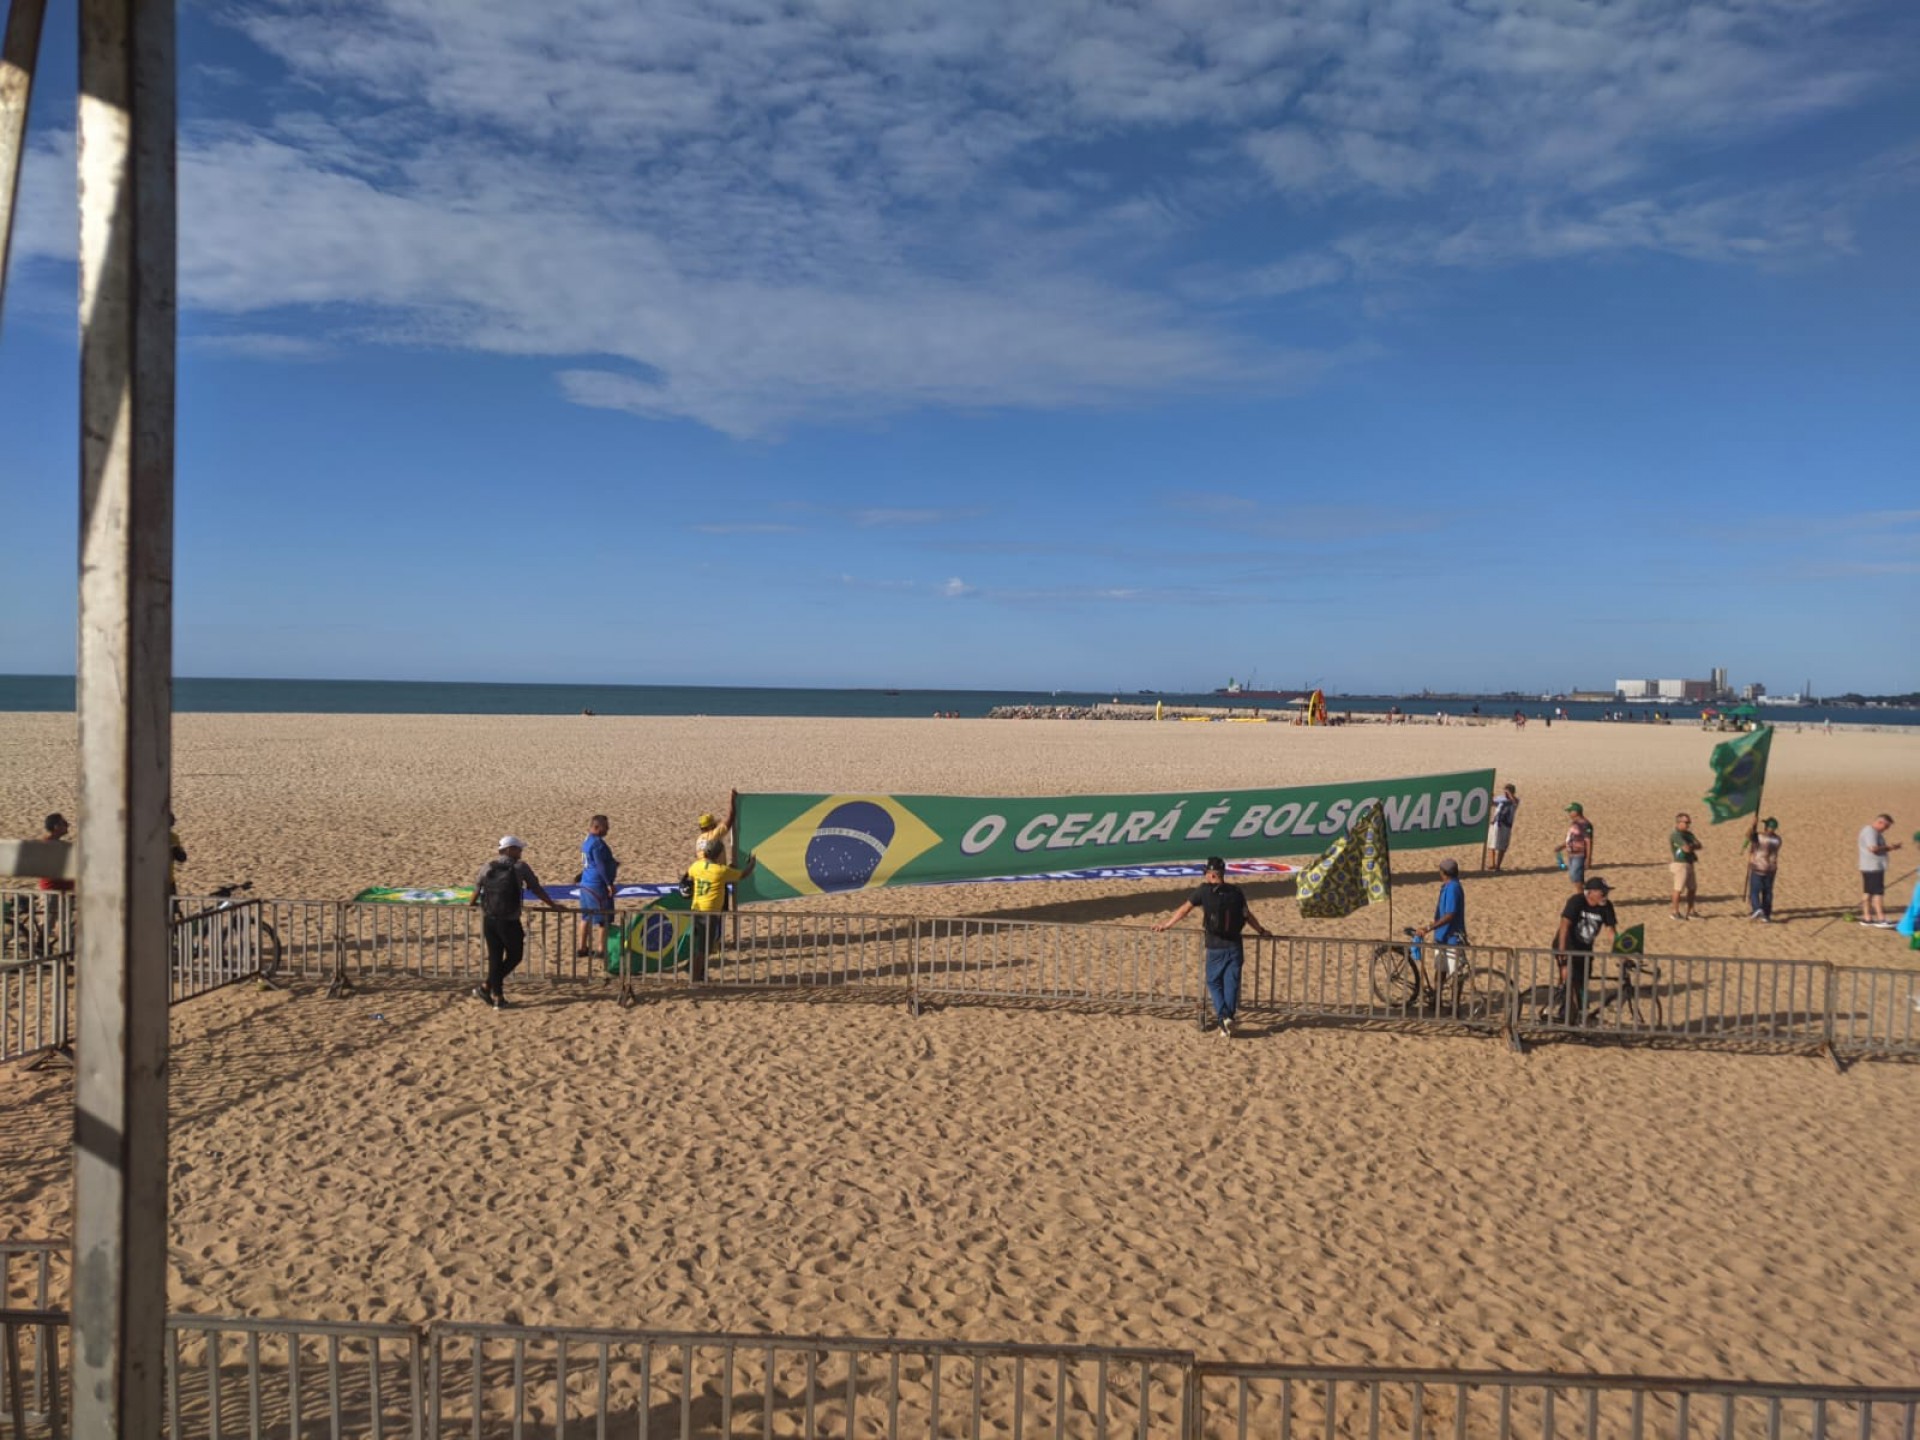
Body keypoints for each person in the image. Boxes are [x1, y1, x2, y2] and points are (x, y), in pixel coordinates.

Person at [1152, 855, 1272, 1038]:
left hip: (1216, 945)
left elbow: (1184, 909)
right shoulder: (1236, 892)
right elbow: (1247, 916)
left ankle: (1223, 1016)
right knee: (1231, 983)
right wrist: (1261, 931)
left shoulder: (1204, 891)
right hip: (1235, 945)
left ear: (1212, 874)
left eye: (1206, 873)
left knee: (1214, 982)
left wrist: (1167, 925)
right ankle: (1229, 1018)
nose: (1205, 876)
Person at [468, 836, 561, 1008]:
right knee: (515, 955)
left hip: (489, 918)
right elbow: (536, 888)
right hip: (509, 920)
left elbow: (477, 888)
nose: (521, 852)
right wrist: (553, 905)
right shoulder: (520, 867)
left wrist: (471, 905)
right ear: (510, 850)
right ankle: (488, 988)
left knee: (495, 958)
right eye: (518, 849)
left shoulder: (488, 866)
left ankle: (496, 995)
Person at [1548, 875, 1618, 1024]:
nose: (1605, 895)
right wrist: (1562, 950)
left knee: (1582, 984)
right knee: (1569, 978)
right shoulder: (1577, 901)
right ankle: (1562, 1009)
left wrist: (1622, 953)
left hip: (1585, 949)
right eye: (1602, 892)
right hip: (1567, 944)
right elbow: (1564, 924)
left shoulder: (1607, 907)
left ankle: (1573, 1013)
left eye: (1606, 892)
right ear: (1590, 892)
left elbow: (1611, 931)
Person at [683, 837, 756, 978]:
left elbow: (689, 875)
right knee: (704, 949)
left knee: (698, 945)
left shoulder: (696, 866)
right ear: (718, 854)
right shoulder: (720, 871)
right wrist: (752, 864)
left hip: (696, 911)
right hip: (709, 914)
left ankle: (695, 972)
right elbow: (743, 875)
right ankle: (696, 977)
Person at [1416, 858, 1468, 1002]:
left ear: (1443, 873)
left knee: (1456, 974)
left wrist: (1429, 927)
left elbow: (1450, 915)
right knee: (1440, 970)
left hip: (1453, 938)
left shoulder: (1453, 888)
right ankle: (1437, 1001)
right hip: (1442, 936)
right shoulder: (1447, 887)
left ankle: (1455, 1005)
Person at [575, 814, 620, 960]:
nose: (607, 830)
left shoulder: (587, 841)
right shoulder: (598, 844)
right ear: (596, 827)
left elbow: (591, 862)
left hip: (586, 884)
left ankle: (582, 947)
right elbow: (600, 865)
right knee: (604, 918)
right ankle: (601, 949)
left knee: (586, 916)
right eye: (605, 827)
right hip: (597, 885)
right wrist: (609, 883)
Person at [1858, 814, 1903, 927]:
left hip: (1869, 867)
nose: (1886, 829)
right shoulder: (1870, 831)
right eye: (1886, 826)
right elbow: (1873, 848)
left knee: (1868, 892)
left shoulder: (1873, 832)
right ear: (1880, 822)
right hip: (1873, 867)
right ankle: (1881, 918)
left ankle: (1867, 918)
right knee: (1878, 893)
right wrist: (1889, 847)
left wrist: (1891, 848)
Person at [1745, 817, 1782, 922]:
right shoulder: (1778, 840)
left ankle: (1757, 908)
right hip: (1771, 868)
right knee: (1768, 892)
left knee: (1754, 891)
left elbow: (1748, 836)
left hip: (1758, 867)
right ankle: (1766, 914)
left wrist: (1753, 825)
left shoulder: (1760, 837)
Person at [1668, 812, 1702, 921]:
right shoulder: (1676, 835)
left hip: (1690, 863)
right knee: (1678, 889)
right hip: (1680, 864)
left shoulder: (1689, 834)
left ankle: (1691, 911)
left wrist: (1691, 846)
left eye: (1689, 822)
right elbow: (1686, 848)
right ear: (1679, 822)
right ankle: (1675, 912)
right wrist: (1692, 845)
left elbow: (1699, 845)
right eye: (1686, 822)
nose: (1688, 824)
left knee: (1692, 888)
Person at [1555, 803, 1593, 890]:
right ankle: (1585, 893)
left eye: (1570, 811)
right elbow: (1571, 838)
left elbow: (1588, 841)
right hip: (1571, 853)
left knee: (1576, 877)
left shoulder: (1585, 824)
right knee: (1574, 876)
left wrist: (1588, 858)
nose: (1569, 814)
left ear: (1576, 812)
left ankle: (1581, 895)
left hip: (1580, 854)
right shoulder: (1574, 823)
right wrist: (1562, 846)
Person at [36, 813, 74, 893]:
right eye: (64, 823)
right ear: (56, 827)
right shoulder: (48, 845)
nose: (68, 825)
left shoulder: (55, 844)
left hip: (61, 890)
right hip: (53, 891)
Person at [1484, 784, 1519, 871]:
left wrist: (1510, 794)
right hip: (1495, 823)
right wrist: (1491, 797)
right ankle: (1492, 863)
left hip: (1506, 825)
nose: (1505, 793)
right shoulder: (1500, 798)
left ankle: (1498, 865)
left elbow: (1514, 802)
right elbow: (1492, 803)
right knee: (1491, 844)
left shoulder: (1515, 800)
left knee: (1502, 846)